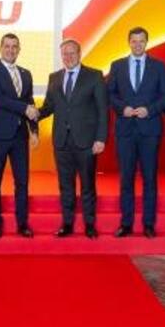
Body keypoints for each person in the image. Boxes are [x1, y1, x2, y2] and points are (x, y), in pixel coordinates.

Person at [38, 39, 107, 238]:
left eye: (72, 53)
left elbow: (103, 110)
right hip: (62, 141)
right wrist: (34, 113)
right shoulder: (54, 77)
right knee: (65, 186)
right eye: (64, 54)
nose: (68, 57)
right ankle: (67, 224)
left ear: (79, 53)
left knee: (87, 185)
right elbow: (49, 106)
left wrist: (100, 138)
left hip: (87, 142)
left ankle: (89, 225)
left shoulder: (94, 76)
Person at [107, 26, 165, 238]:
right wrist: (122, 108)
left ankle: (148, 224)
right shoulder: (117, 66)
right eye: (133, 41)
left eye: (141, 41)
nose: (137, 44)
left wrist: (149, 110)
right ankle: (126, 223)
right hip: (125, 131)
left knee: (149, 179)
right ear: (128, 42)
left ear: (146, 42)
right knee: (126, 179)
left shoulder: (159, 66)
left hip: (149, 130)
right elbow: (110, 94)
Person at [0, 33, 38, 238]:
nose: (11, 50)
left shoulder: (26, 73)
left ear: (19, 49)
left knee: (22, 182)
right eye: (7, 46)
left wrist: (34, 130)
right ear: (0, 48)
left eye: (15, 46)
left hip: (20, 136)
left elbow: (30, 102)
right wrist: (24, 109)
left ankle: (22, 223)